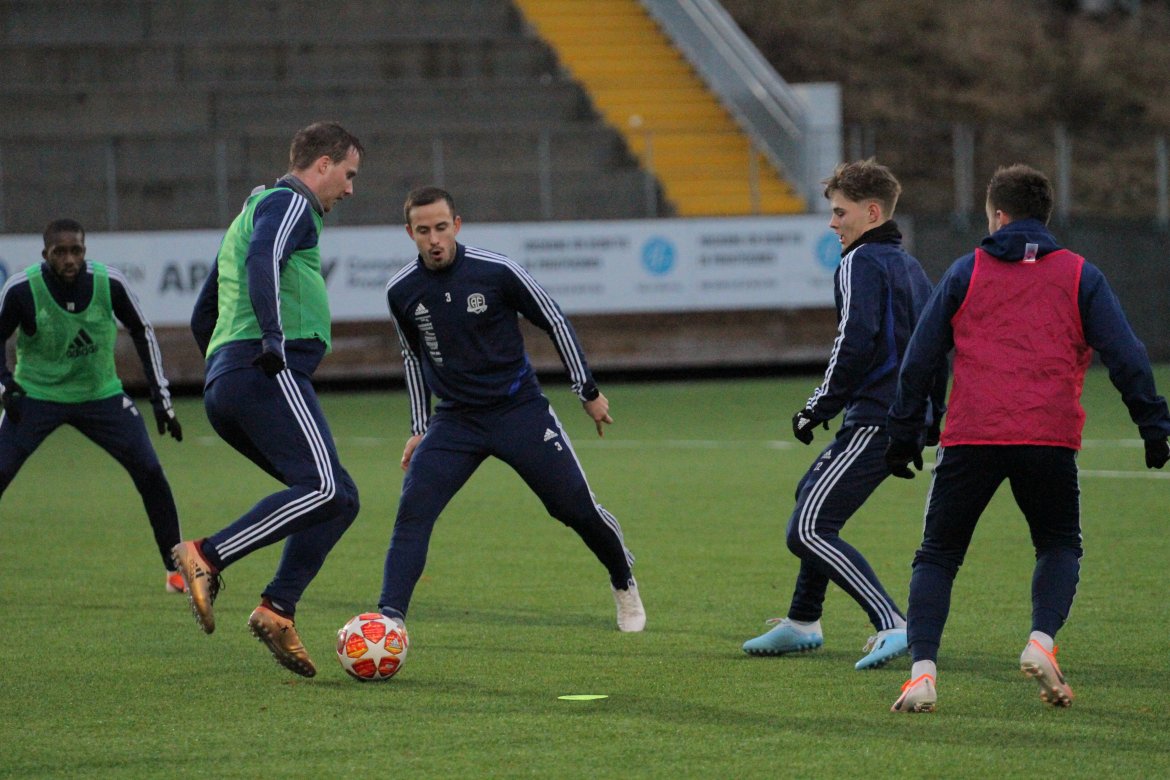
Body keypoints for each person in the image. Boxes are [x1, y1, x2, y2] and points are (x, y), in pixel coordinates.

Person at [886, 164, 1170, 713]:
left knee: (939, 556)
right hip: (1048, 435)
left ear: (996, 215)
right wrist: (1153, 426)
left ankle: (922, 673)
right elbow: (1128, 354)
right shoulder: (1080, 275)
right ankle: (1041, 640)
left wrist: (904, 433)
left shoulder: (966, 271)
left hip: (973, 434)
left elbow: (920, 357)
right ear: (1046, 217)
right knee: (1059, 543)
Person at [379, 186, 645, 636]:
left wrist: (588, 392)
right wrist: (419, 427)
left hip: (517, 410)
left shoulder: (497, 271)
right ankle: (388, 621)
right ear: (410, 233)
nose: (434, 239)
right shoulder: (401, 290)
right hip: (455, 420)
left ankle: (623, 580)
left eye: (441, 228)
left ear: (457, 225)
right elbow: (411, 356)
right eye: (423, 231)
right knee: (413, 510)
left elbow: (554, 320)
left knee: (574, 509)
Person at [177, 121, 364, 678]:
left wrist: (222, 366)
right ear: (322, 164)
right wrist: (271, 341)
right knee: (325, 487)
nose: (350, 189)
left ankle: (277, 608)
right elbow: (265, 260)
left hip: (232, 379)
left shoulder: (251, 209)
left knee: (339, 498)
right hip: (264, 369)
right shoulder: (290, 202)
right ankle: (208, 555)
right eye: (348, 175)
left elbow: (201, 314)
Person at [742, 159, 945, 669]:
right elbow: (937, 349)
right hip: (901, 418)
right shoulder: (912, 267)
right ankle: (803, 620)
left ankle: (893, 622)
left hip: (875, 417)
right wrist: (931, 421)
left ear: (871, 212)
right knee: (811, 498)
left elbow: (853, 342)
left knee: (807, 529)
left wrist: (817, 406)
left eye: (840, 212)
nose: (832, 223)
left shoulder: (859, 263)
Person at [0, 218, 185, 591]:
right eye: (60, 252)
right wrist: (6, 385)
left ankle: (175, 569)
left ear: (85, 250)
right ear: (45, 255)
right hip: (37, 396)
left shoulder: (109, 282)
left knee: (150, 471)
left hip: (100, 394)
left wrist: (161, 399)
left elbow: (142, 331)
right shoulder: (22, 289)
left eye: (76, 250)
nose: (69, 259)